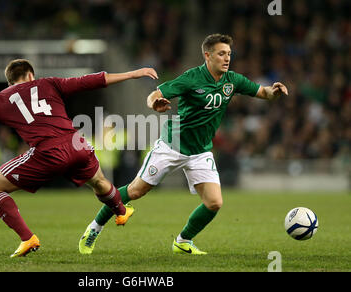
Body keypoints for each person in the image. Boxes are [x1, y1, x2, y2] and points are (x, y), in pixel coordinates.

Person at [0, 59, 158, 258]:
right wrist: (133, 74)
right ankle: (121, 211)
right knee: (100, 181)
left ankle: (27, 238)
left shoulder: (0, 99)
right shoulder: (49, 83)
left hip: (48, 151)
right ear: (30, 75)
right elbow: (92, 80)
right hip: (76, 143)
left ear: (10, 82)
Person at [79, 34, 288, 255]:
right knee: (136, 190)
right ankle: (94, 228)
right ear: (207, 56)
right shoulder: (191, 78)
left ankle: (182, 240)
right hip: (172, 145)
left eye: (228, 54)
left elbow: (263, 92)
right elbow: (154, 94)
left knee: (214, 203)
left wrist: (274, 92)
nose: (227, 58)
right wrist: (155, 104)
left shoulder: (232, 80)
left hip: (200, 151)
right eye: (221, 54)